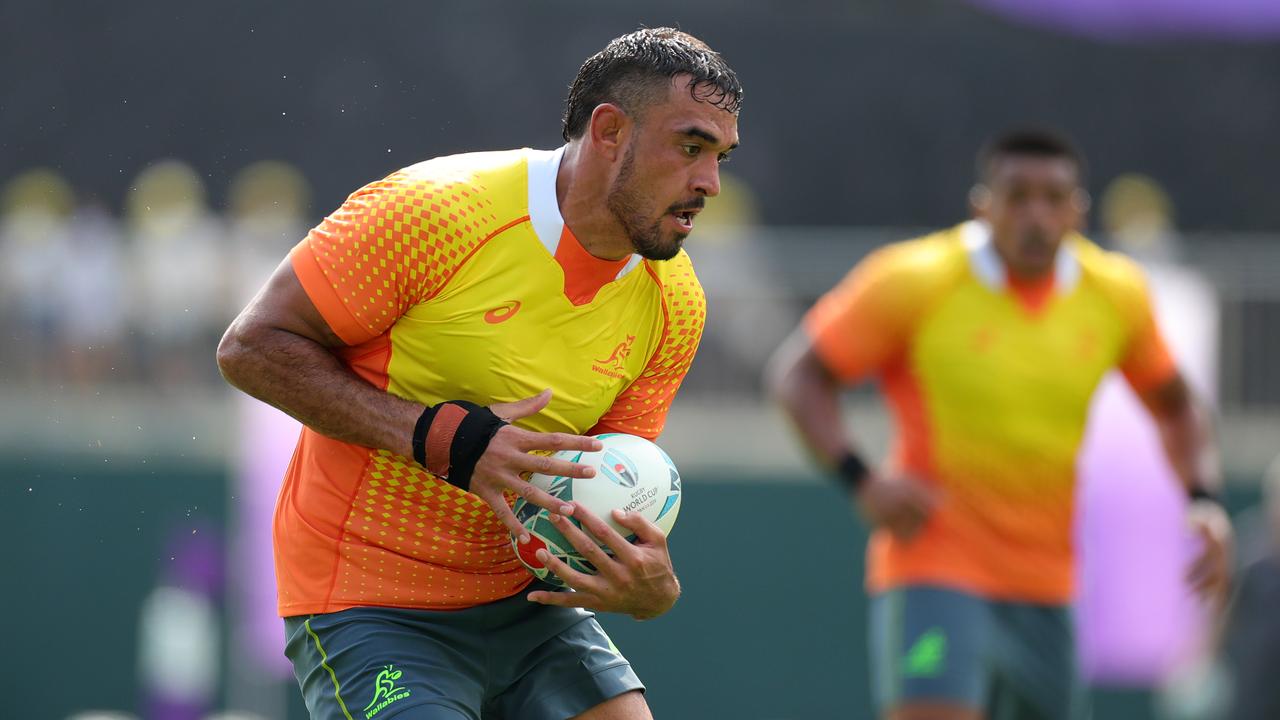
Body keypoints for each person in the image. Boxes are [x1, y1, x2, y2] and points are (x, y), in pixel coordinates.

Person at [217, 27, 741, 720]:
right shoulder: (434, 212)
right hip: (371, 603)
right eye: (691, 147)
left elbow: (601, 491)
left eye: (720, 157)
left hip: (527, 609)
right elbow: (250, 347)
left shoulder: (676, 306)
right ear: (610, 131)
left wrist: (647, 585)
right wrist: (440, 438)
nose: (709, 182)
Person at [766, 129, 1230, 720]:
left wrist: (1204, 500)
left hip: (1048, 586)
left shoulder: (1116, 295)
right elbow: (800, 376)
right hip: (935, 567)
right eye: (1017, 196)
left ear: (1077, 211)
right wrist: (863, 478)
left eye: (1053, 197)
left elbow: (1177, 404)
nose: (1035, 215)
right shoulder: (915, 279)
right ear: (983, 205)